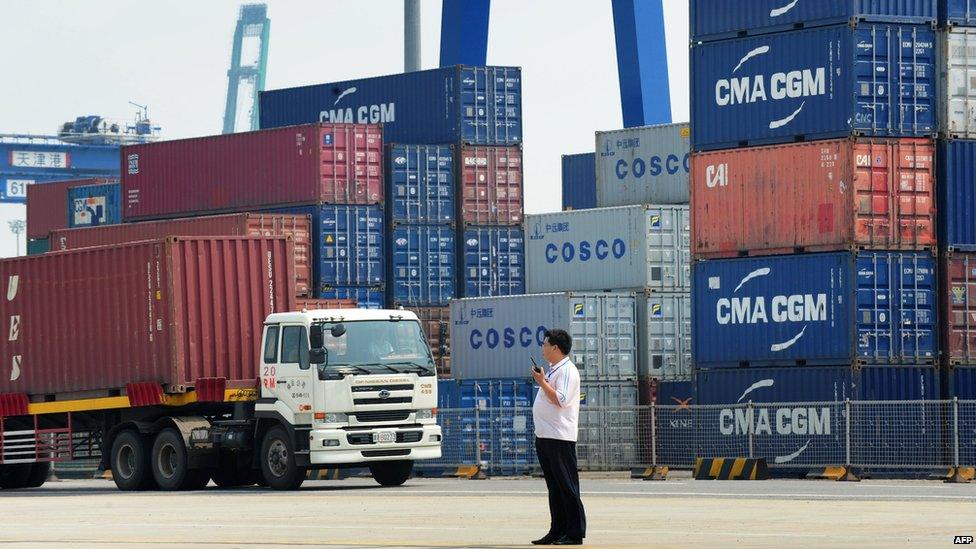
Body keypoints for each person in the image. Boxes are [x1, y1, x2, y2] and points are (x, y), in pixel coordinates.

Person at [530, 328, 586, 546]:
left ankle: (575, 533)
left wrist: (541, 382)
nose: (542, 348)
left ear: (555, 347)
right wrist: (544, 379)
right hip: (546, 436)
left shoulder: (567, 371)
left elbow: (561, 400)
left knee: (567, 486)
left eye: (545, 344)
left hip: (559, 437)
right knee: (554, 486)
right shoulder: (554, 370)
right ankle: (557, 529)